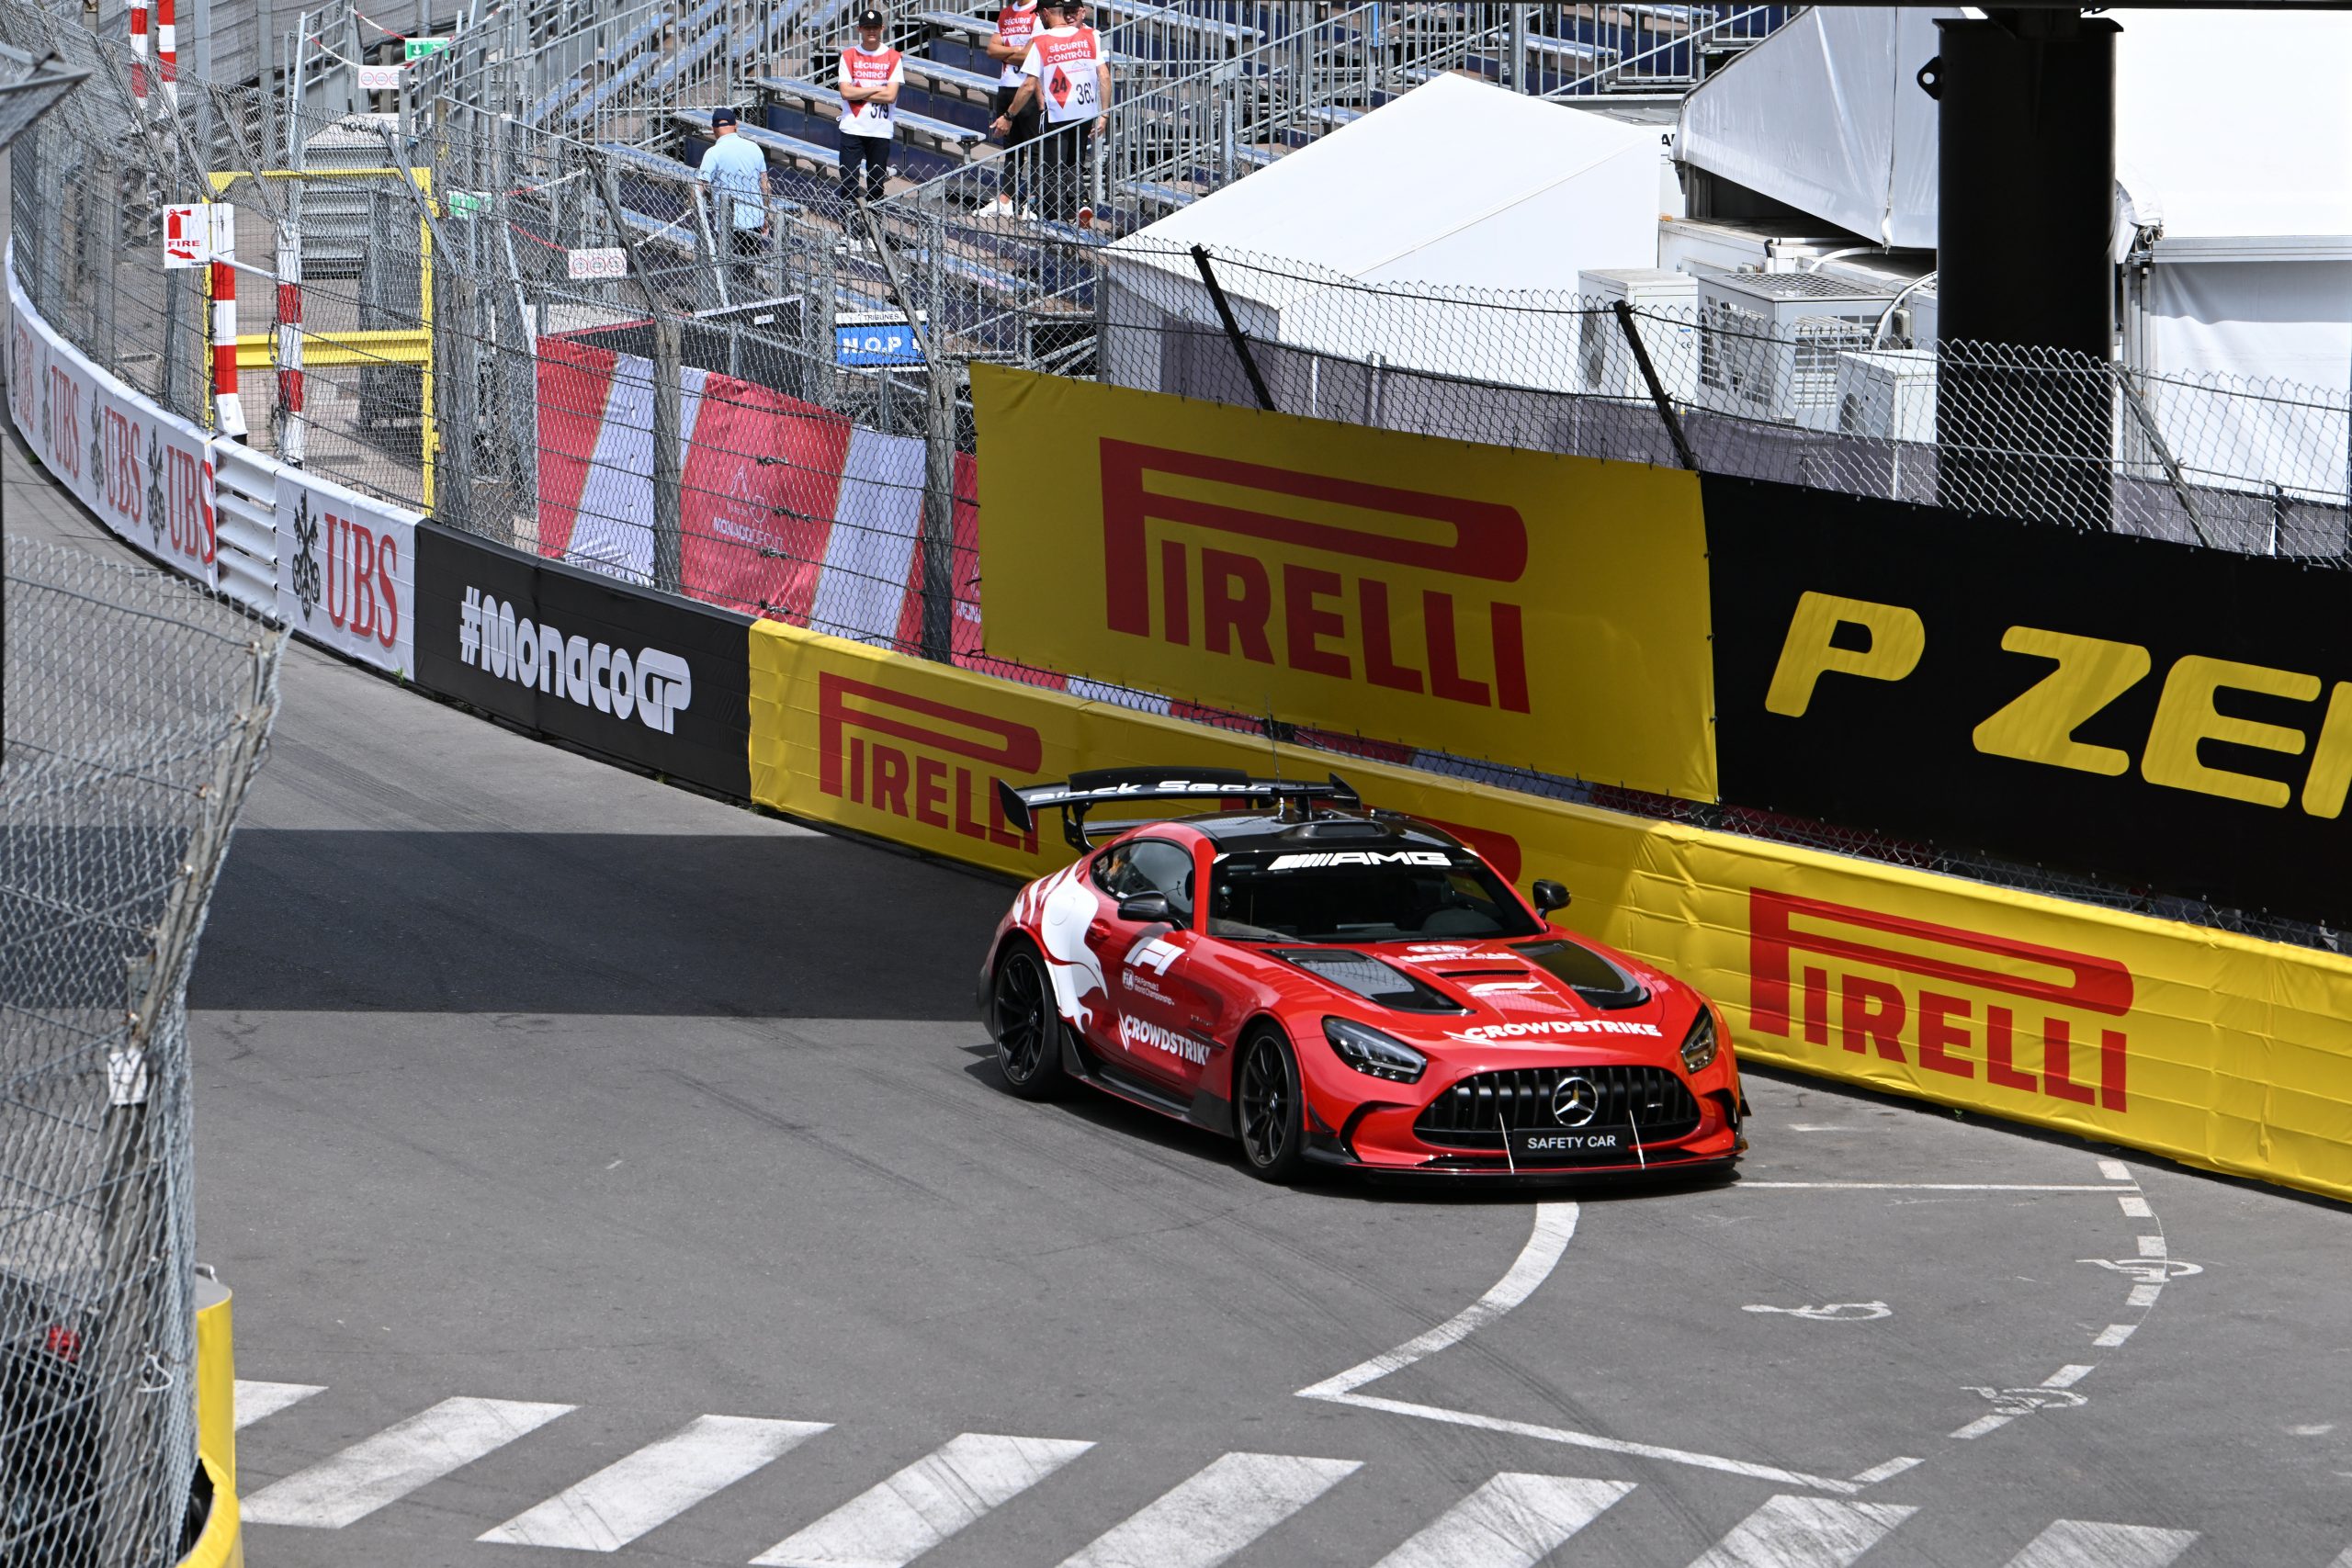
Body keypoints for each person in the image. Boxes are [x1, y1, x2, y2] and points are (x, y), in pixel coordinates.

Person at [989, 0, 1109, 228]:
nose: (1039, 19)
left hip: (1057, 112)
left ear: (1045, 13)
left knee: (1053, 168)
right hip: (1085, 111)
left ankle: (1058, 222)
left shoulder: (1042, 41)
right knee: (1074, 162)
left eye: (1039, 15)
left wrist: (1008, 116)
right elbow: (1104, 76)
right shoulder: (1090, 36)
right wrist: (1104, 114)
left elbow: (1027, 86)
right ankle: (1079, 205)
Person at [695, 106, 772, 293]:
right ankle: (746, 302)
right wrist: (765, 215)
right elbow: (765, 185)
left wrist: (697, 206)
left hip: (728, 222)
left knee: (729, 269)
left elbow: (700, 186)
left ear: (714, 129)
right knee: (748, 267)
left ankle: (733, 305)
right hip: (753, 218)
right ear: (735, 125)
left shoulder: (713, 153)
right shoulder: (754, 147)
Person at [837, 7, 902, 212]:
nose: (871, 31)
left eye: (874, 27)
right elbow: (846, 92)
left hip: (880, 129)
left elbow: (890, 95)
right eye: (867, 27)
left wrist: (859, 90)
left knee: (876, 186)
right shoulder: (848, 56)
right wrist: (876, 88)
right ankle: (850, 235)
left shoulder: (893, 57)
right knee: (848, 184)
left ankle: (874, 237)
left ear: (882, 28)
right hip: (852, 128)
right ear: (859, 29)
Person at [983, 0, 1041, 219]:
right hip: (1006, 85)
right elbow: (990, 48)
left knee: (1034, 148)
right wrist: (1017, 50)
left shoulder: (1038, 10)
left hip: (1029, 87)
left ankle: (1033, 202)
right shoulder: (1006, 13)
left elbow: (1031, 55)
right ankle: (1006, 200)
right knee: (1010, 148)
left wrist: (1004, 52)